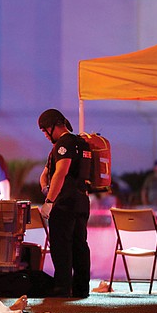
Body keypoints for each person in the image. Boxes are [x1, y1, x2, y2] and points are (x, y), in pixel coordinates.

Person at [38, 108, 91, 298]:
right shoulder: (82, 143)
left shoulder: (64, 143)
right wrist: (45, 186)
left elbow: (60, 172)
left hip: (65, 202)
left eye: (45, 130)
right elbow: (45, 174)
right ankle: (81, 288)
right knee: (80, 245)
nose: (45, 134)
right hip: (82, 200)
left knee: (61, 245)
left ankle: (62, 287)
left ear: (53, 127)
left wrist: (49, 201)